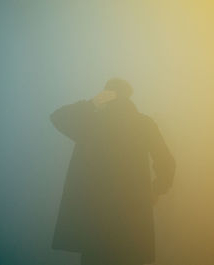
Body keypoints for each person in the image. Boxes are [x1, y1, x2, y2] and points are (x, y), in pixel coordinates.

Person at [50, 78, 176, 265]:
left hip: (96, 217)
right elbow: (166, 162)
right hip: (134, 215)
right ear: (129, 96)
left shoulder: (92, 124)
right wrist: (158, 189)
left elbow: (58, 117)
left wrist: (91, 103)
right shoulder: (143, 124)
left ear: (106, 97)